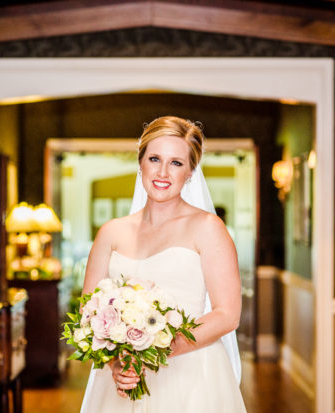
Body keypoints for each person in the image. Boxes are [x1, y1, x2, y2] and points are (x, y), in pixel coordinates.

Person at [80, 116, 246, 412]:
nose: (163, 172)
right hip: (122, 380)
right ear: (140, 162)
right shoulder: (111, 232)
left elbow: (227, 314)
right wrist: (116, 362)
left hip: (191, 377)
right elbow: (89, 311)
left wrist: (157, 348)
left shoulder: (208, 228)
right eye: (154, 158)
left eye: (176, 163)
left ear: (191, 171)